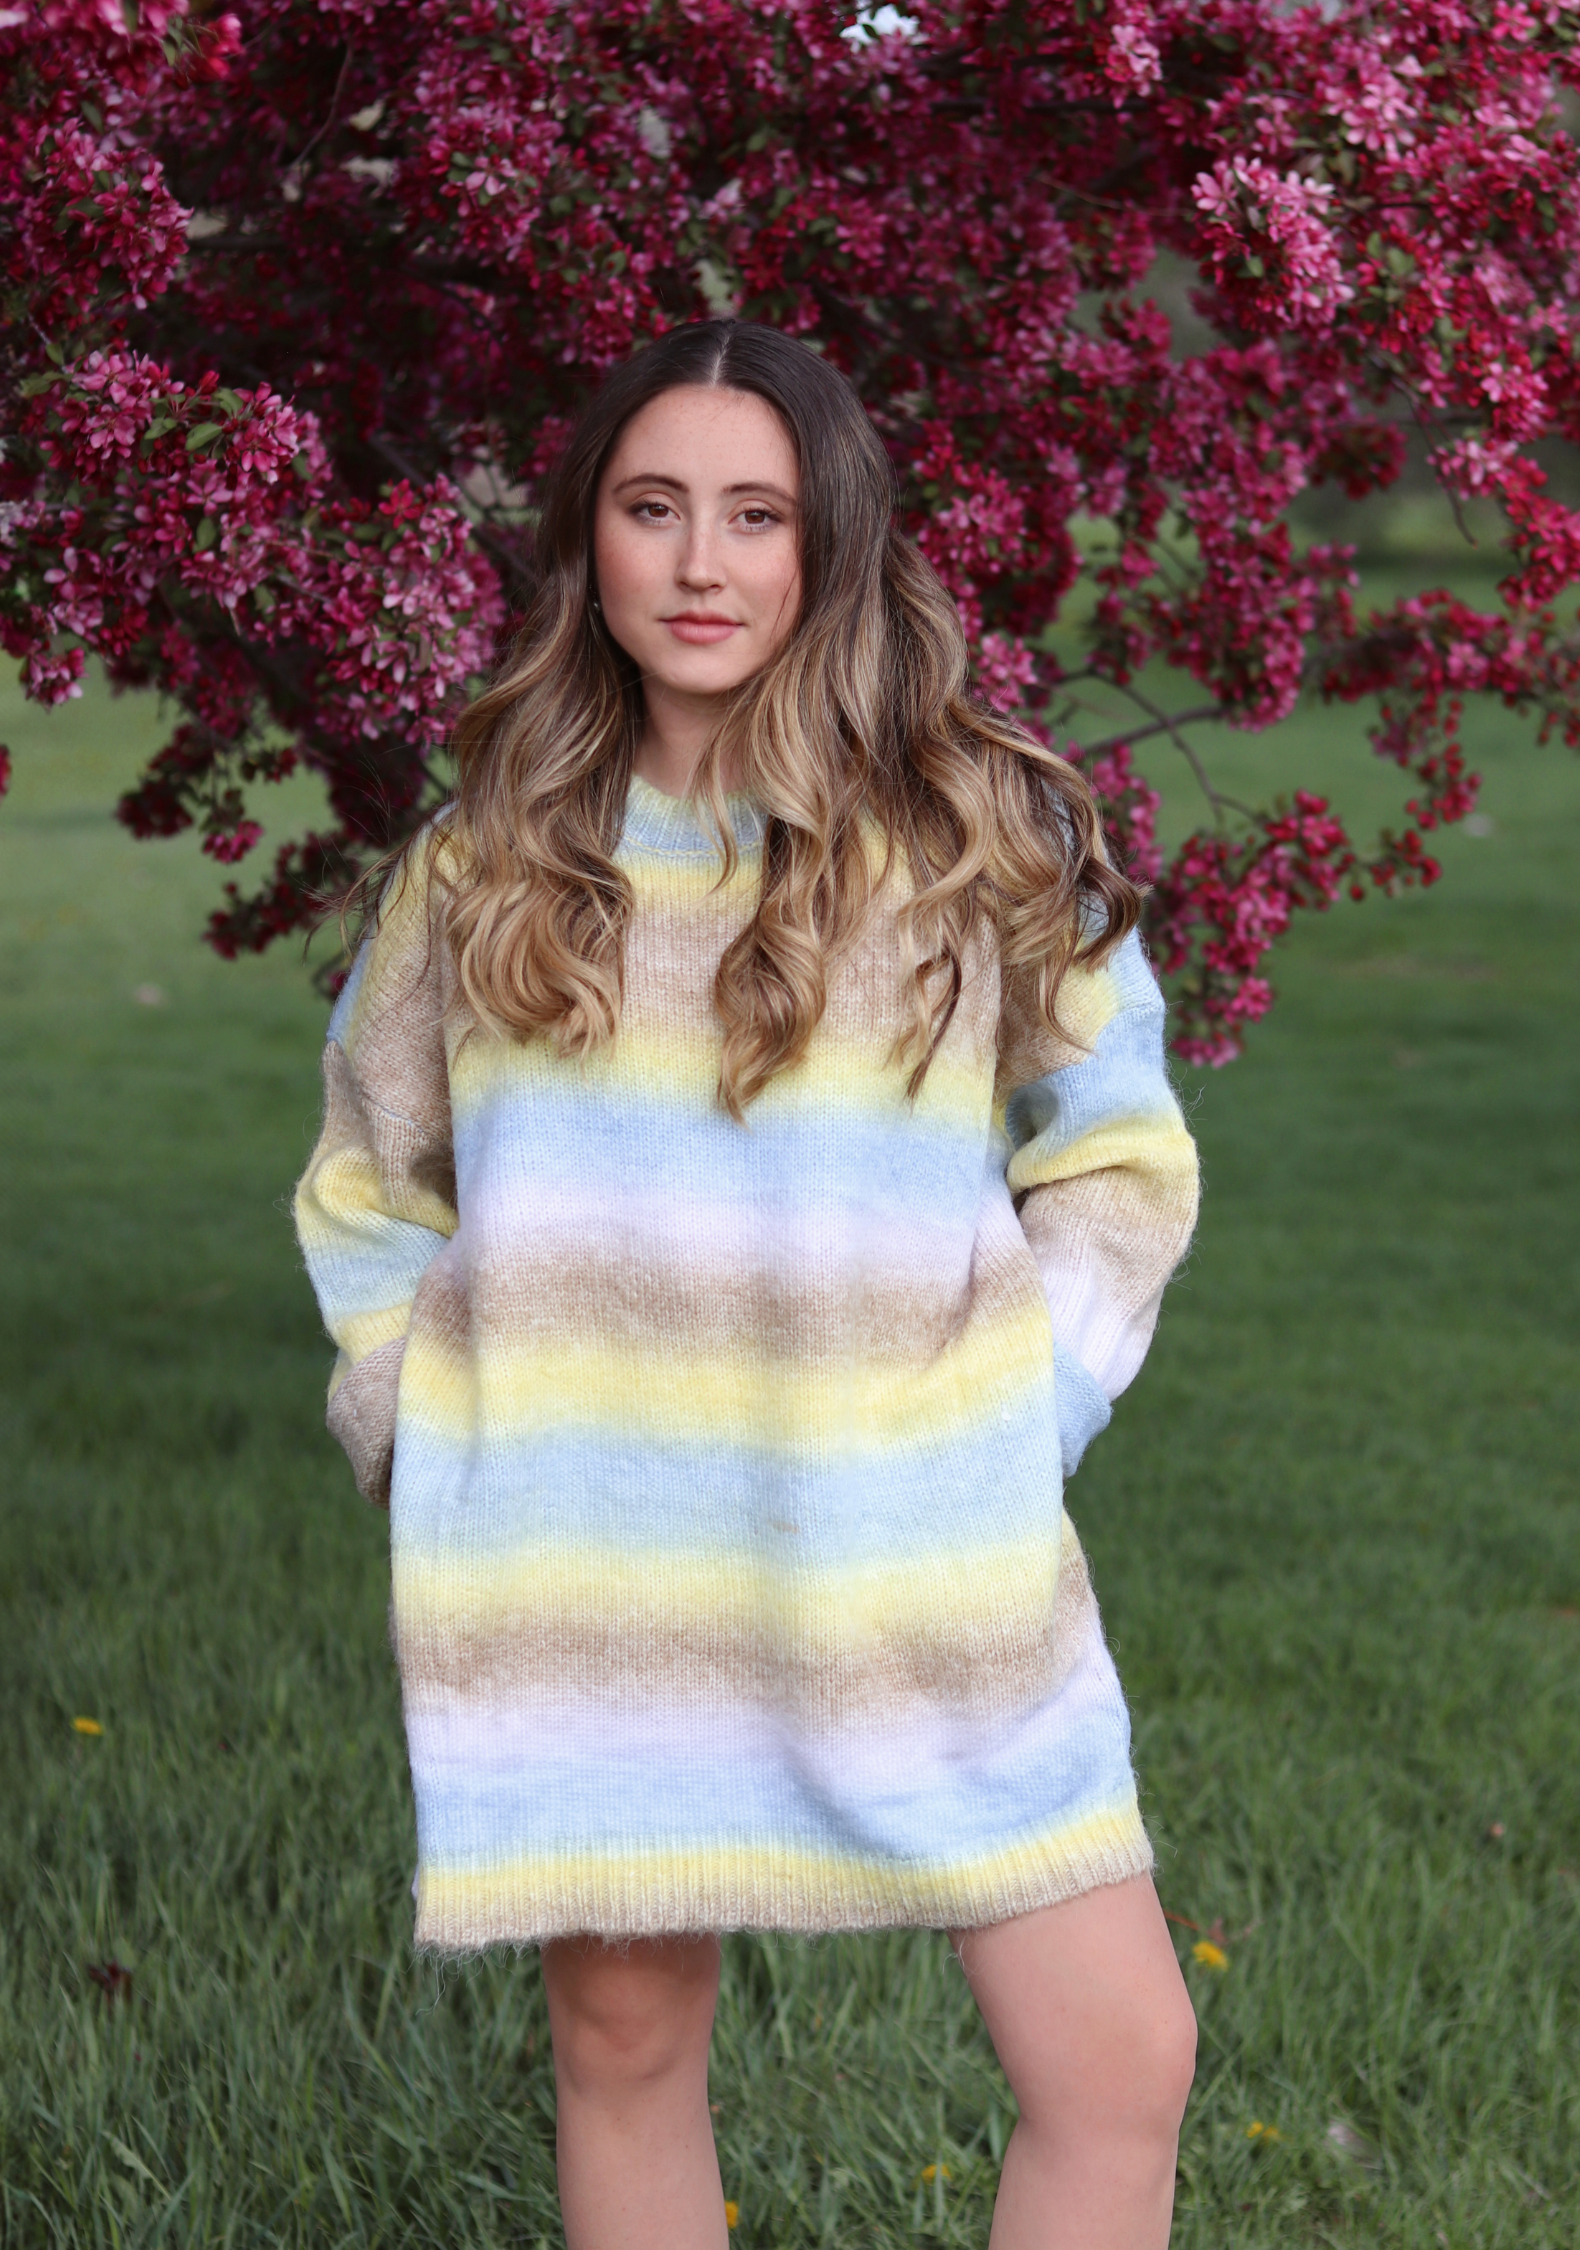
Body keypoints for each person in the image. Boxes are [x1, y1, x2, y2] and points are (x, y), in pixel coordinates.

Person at [295, 319, 1202, 2250]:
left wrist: (1016, 1415)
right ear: (589, 542)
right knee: (626, 2044)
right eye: (652, 508)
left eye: (753, 514)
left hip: (917, 1538)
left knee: (1119, 2053)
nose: (700, 565)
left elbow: (1115, 1151)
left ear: (826, 546)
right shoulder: (486, 866)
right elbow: (373, 1184)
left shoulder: (972, 835)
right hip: (590, 1558)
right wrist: (410, 1422)